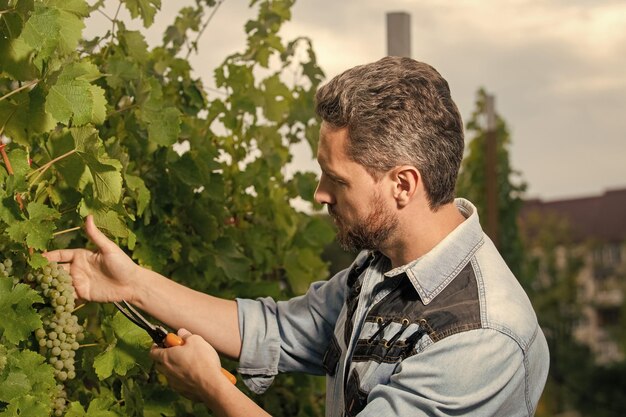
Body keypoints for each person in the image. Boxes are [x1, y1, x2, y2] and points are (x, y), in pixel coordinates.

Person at [45, 56, 549, 417]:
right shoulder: (383, 266)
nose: (320, 193)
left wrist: (213, 390)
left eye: (337, 178)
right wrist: (133, 284)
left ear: (402, 184)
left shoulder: (481, 336)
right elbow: (275, 331)